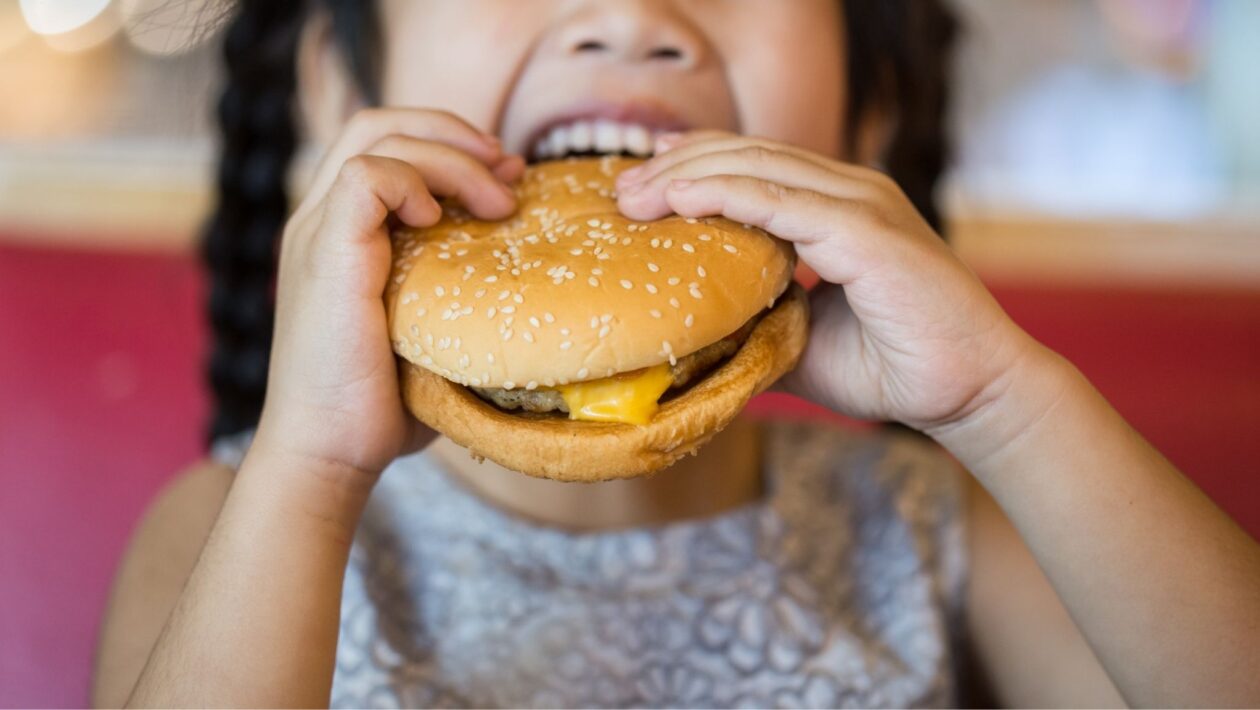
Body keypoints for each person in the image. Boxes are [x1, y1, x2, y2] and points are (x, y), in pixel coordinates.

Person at [92, 1, 1260, 707]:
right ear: (341, 86)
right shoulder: (242, 518)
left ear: (869, 118)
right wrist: (311, 472)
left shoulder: (937, 526)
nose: (628, 14)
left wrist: (1008, 403)